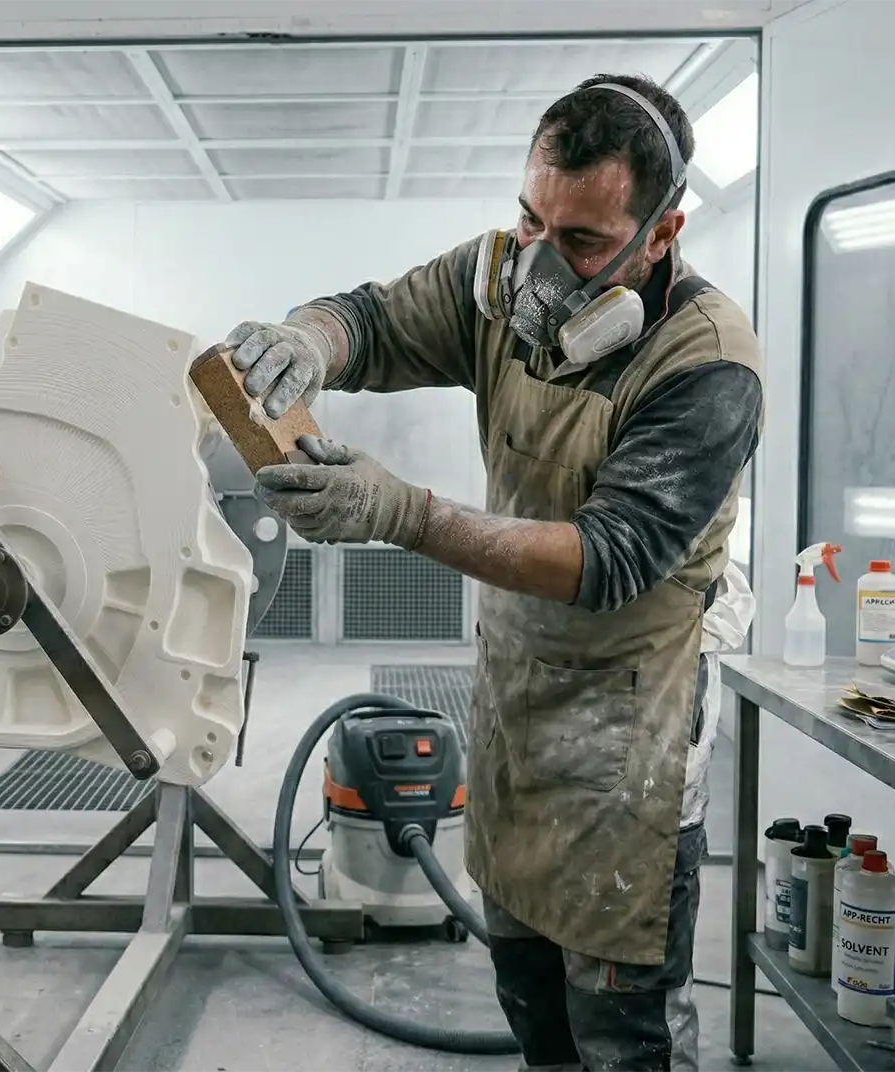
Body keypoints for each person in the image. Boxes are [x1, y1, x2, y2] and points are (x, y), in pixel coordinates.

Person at [227, 73, 764, 1071]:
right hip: (517, 705)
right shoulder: (499, 282)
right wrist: (307, 341)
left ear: (662, 232)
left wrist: (403, 513)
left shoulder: (707, 364)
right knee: (533, 1008)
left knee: (623, 1035)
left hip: (630, 739)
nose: (541, 266)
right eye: (531, 221)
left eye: (583, 243)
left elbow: (611, 554)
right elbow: (372, 321)